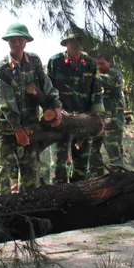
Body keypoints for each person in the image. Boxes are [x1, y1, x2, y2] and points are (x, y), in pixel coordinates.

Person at [0, 23, 63, 193]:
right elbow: (5, 101)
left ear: (26, 41)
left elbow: (46, 84)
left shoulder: (34, 61)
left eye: (20, 39)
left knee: (30, 174)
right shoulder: (1, 67)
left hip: (30, 126)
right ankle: (0, 212)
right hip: (6, 128)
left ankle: (28, 214)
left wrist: (56, 105)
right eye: (12, 39)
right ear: (8, 41)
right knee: (3, 173)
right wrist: (17, 129)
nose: (16, 42)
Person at [47, 28, 104, 183]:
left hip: (84, 121)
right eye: (72, 41)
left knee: (81, 166)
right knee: (58, 166)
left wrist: (97, 119)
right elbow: (48, 90)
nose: (76, 44)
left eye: (79, 41)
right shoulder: (55, 62)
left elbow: (96, 92)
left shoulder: (90, 64)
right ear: (66, 43)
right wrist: (53, 112)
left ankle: (78, 200)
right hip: (61, 120)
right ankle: (57, 199)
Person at [89, 51, 126, 175]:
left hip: (113, 122)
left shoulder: (115, 74)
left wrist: (90, 71)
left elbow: (103, 81)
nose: (99, 66)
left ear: (110, 62)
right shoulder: (97, 75)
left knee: (114, 154)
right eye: (96, 64)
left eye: (102, 63)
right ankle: (97, 179)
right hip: (97, 121)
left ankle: (119, 180)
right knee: (92, 152)